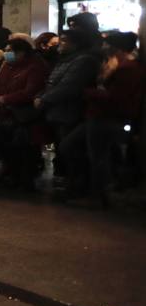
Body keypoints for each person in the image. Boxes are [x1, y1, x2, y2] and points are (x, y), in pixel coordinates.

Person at [63, 31, 141, 204]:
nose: (103, 47)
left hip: (105, 117)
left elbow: (116, 96)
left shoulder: (126, 67)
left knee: (98, 156)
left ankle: (98, 195)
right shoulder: (114, 64)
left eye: (107, 44)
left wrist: (87, 92)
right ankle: (95, 190)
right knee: (74, 147)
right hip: (98, 115)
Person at [36, 27, 103, 183]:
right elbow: (52, 83)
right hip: (59, 111)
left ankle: (78, 185)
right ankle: (71, 183)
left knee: (72, 150)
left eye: (64, 40)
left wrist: (44, 99)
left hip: (70, 111)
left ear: (76, 43)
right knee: (64, 149)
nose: (60, 44)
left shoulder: (83, 60)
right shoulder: (66, 59)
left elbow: (69, 86)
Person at [0, 33, 50, 189]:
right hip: (4, 115)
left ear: (21, 52)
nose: (6, 53)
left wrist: (5, 99)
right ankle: (9, 175)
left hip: (23, 116)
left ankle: (24, 179)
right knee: (5, 148)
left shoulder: (35, 66)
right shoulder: (6, 66)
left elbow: (30, 91)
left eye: (10, 50)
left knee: (24, 150)